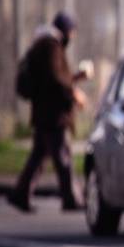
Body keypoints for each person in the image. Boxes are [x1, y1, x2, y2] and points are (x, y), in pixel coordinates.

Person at [8, 12, 87, 212]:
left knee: (38, 157)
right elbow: (55, 80)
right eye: (72, 31)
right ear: (65, 30)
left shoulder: (45, 45)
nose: (72, 36)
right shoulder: (52, 47)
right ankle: (71, 199)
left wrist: (76, 78)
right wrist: (74, 94)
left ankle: (20, 194)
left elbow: (53, 78)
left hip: (44, 114)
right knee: (63, 157)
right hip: (53, 116)